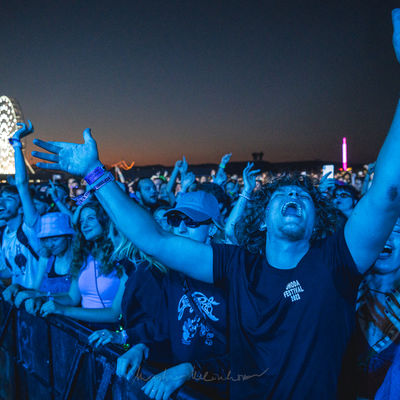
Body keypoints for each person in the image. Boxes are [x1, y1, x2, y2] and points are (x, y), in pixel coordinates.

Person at [32, 9, 400, 399]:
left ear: (316, 223)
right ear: (262, 220)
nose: (294, 195)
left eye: (304, 196)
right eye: (283, 193)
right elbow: (154, 239)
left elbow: (387, 192)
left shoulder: (336, 263)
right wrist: (94, 173)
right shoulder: (237, 266)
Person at [38, 200, 127, 326]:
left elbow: (115, 314)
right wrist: (42, 299)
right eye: (81, 221)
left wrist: (64, 310)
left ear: (105, 220)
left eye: (90, 218)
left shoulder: (120, 259)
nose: (84, 225)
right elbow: (72, 298)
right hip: (85, 332)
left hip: (111, 334)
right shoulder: (83, 256)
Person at [10, 212, 75, 310]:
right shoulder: (46, 258)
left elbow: (73, 298)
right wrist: (18, 288)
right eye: (45, 240)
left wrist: (43, 296)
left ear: (68, 236)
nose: (50, 245)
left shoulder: (78, 260)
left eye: (55, 239)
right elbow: (36, 289)